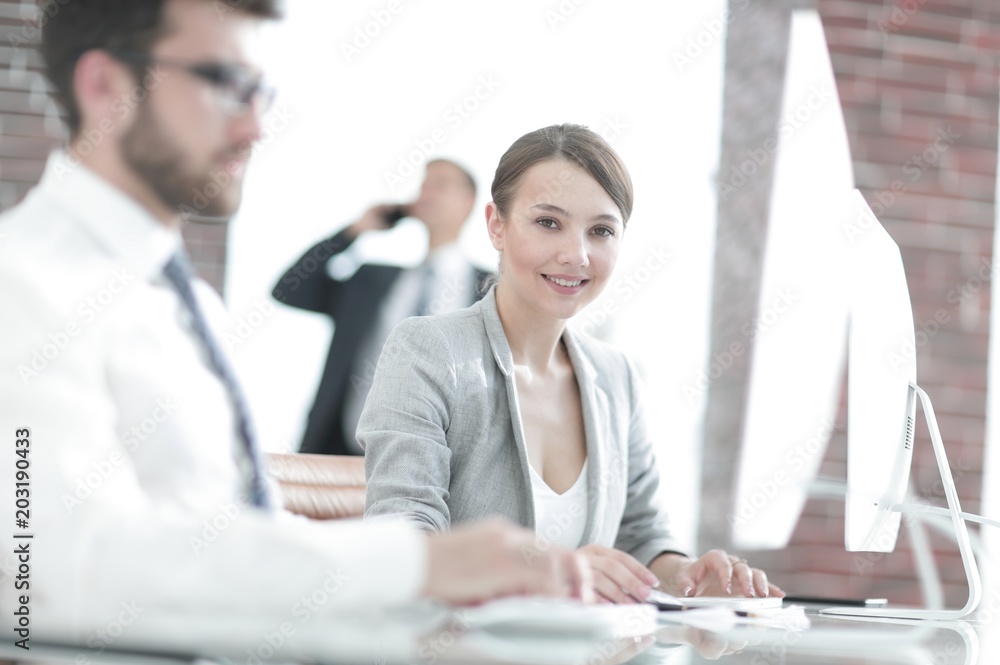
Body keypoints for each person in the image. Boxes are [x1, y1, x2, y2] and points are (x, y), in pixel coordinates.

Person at [0, 0, 589, 646]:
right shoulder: (23, 282)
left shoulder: (182, 300)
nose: (256, 127)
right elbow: (40, 571)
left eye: (261, 92)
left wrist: (476, 563)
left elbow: (224, 531)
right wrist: (415, 562)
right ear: (105, 85)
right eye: (227, 85)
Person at [360, 124, 784, 604]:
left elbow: (641, 535)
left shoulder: (615, 375)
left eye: (601, 231)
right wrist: (549, 570)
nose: (575, 255)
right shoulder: (429, 351)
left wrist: (689, 575)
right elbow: (404, 540)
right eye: (548, 222)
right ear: (496, 225)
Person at [272, 159, 492, 456]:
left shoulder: (491, 290)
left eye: (439, 186)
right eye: (423, 186)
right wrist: (355, 230)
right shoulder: (372, 279)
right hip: (344, 453)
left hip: (443, 469)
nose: (426, 194)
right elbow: (290, 288)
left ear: (468, 203)